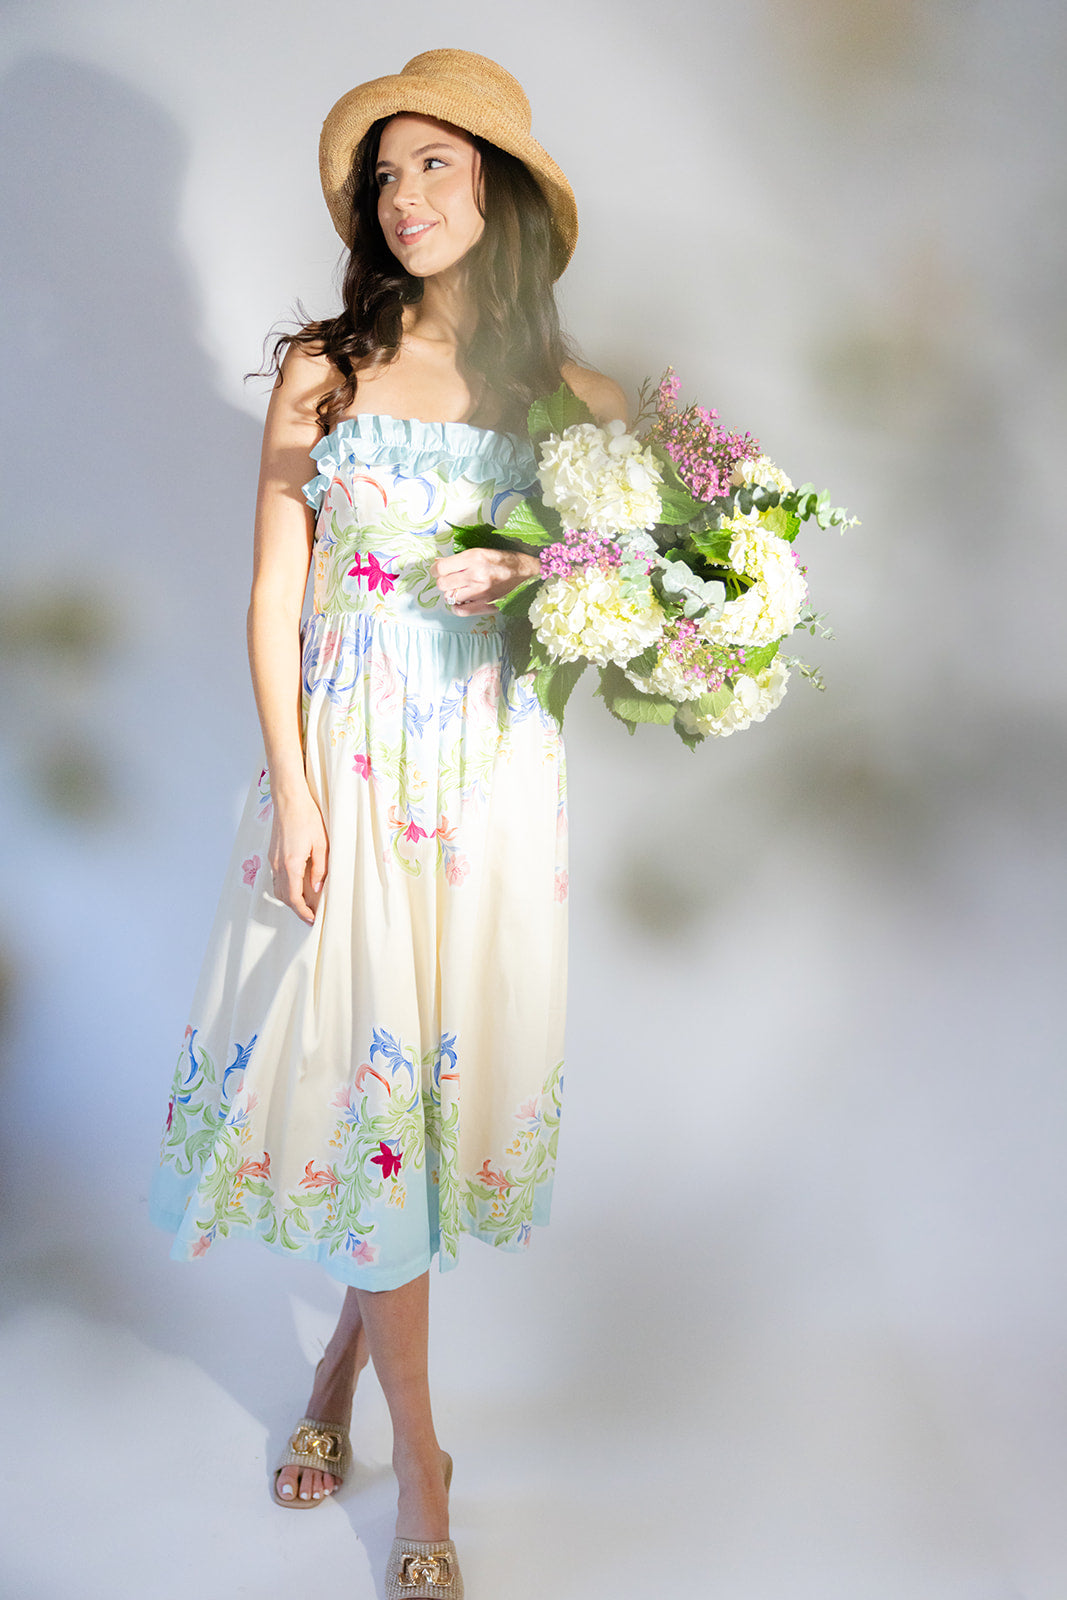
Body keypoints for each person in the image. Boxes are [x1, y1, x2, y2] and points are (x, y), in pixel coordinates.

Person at [150, 48, 625, 1596]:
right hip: (352, 777)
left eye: (436, 164)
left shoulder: (572, 400)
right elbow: (272, 595)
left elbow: (648, 579)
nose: (405, 195)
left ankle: (336, 1376)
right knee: (370, 1099)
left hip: (491, 790)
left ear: (499, 191)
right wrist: (294, 791)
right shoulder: (324, 369)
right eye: (387, 172)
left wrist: (547, 568)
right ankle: (425, 1461)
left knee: (418, 1113)